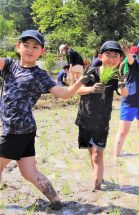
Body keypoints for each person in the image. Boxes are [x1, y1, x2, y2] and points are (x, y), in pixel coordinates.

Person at [0, 30, 92, 210]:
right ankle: (56, 201)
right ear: (18, 47)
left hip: (15, 130)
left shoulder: (41, 75)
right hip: (24, 129)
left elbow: (65, 94)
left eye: (35, 46)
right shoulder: (9, 65)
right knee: (29, 172)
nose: (30, 49)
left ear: (42, 51)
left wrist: (81, 81)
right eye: (25, 45)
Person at [75, 41, 128, 191]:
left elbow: (124, 94)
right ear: (100, 56)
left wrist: (123, 84)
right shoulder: (92, 72)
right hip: (85, 117)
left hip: (102, 121)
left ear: (119, 59)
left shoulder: (116, 76)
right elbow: (77, 90)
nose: (112, 59)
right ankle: (98, 176)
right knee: (91, 151)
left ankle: (96, 189)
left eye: (115, 56)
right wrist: (92, 88)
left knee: (97, 155)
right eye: (108, 55)